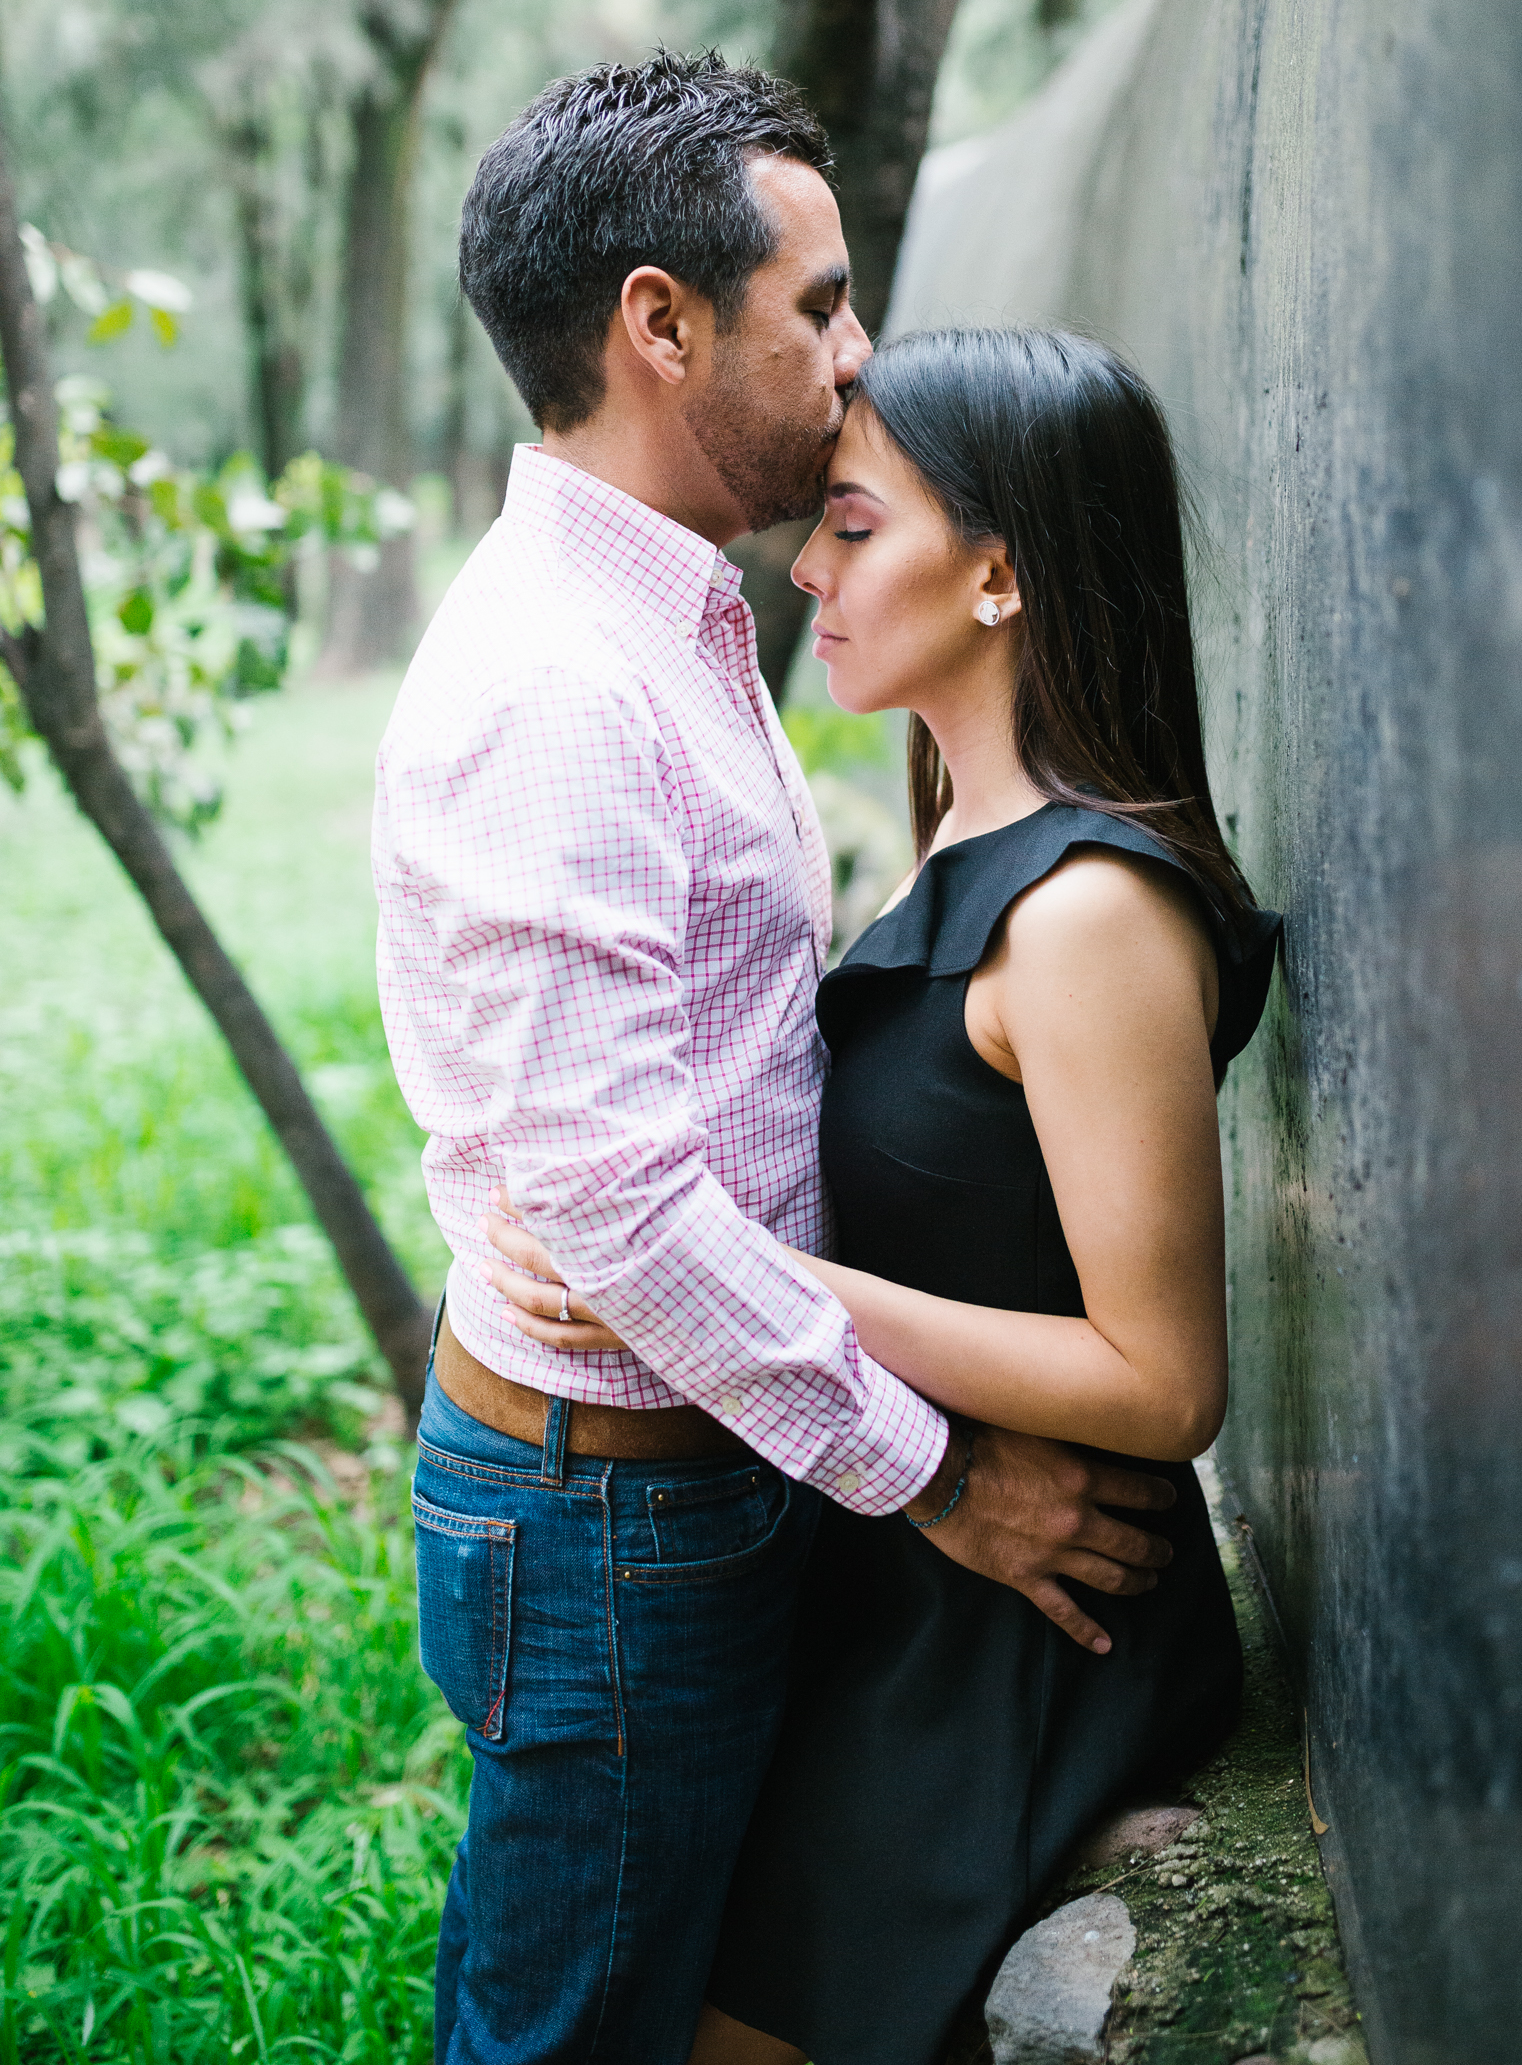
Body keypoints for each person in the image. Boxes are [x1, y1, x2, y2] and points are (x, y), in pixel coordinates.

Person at [373, 60, 1181, 2065]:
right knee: (571, 2034)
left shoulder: (659, 623)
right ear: (663, 323)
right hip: (614, 1518)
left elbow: (556, 1087)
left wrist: (517, 1186)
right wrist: (942, 1473)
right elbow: (626, 1204)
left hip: (683, 1479)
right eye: (816, 301)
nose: (856, 345)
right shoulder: (563, 684)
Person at [480, 325, 1282, 2065]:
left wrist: (724, 1273)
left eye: (855, 527)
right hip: (902, 1584)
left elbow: (1166, 1383)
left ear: (997, 573)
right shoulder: (952, 826)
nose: (805, 563)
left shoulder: (1083, 915)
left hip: (1020, 1637)